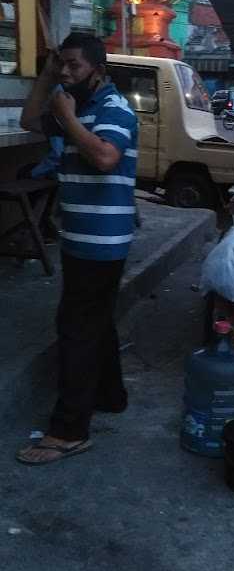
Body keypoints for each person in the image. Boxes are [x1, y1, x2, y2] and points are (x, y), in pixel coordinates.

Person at [16, 33, 138, 465]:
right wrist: (47, 78)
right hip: (81, 238)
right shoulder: (77, 104)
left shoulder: (112, 109)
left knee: (76, 328)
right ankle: (112, 396)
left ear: (98, 70)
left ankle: (70, 430)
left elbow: (105, 158)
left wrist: (68, 120)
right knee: (95, 321)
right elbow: (30, 120)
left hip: (102, 243)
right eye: (62, 65)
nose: (66, 72)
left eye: (74, 66)